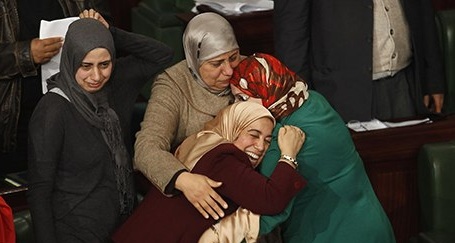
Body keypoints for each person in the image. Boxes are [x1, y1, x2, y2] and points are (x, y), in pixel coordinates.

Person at [27, 12, 173, 243]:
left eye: (104, 64)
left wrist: (110, 32)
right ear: (72, 59)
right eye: (86, 66)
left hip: (123, 226)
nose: (96, 76)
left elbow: (163, 54)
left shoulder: (116, 83)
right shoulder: (52, 110)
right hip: (75, 232)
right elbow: (40, 191)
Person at [229, 53, 396, 243]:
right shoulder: (311, 100)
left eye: (242, 99)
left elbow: (270, 210)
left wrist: (213, 230)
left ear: (266, 90)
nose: (236, 108)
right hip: (371, 224)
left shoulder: (283, 140)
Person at [112, 101, 306, 243]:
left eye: (267, 140)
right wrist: (289, 154)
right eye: (253, 135)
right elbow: (271, 199)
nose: (260, 146)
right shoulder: (225, 158)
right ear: (233, 128)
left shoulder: (202, 142)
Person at [134, 12, 242, 220]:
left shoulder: (249, 69)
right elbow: (146, 147)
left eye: (233, 57)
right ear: (194, 59)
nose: (229, 70)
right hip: (193, 190)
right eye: (216, 63)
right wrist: (183, 179)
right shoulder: (173, 84)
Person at [273, 0, 445, 122]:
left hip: (405, 83)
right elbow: (291, 36)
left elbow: (423, 9)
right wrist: (302, 101)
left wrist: (433, 78)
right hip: (338, 93)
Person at [0, 0, 112, 174]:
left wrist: (97, 26)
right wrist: (25, 54)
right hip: (14, 122)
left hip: (75, 110)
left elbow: (106, 24)